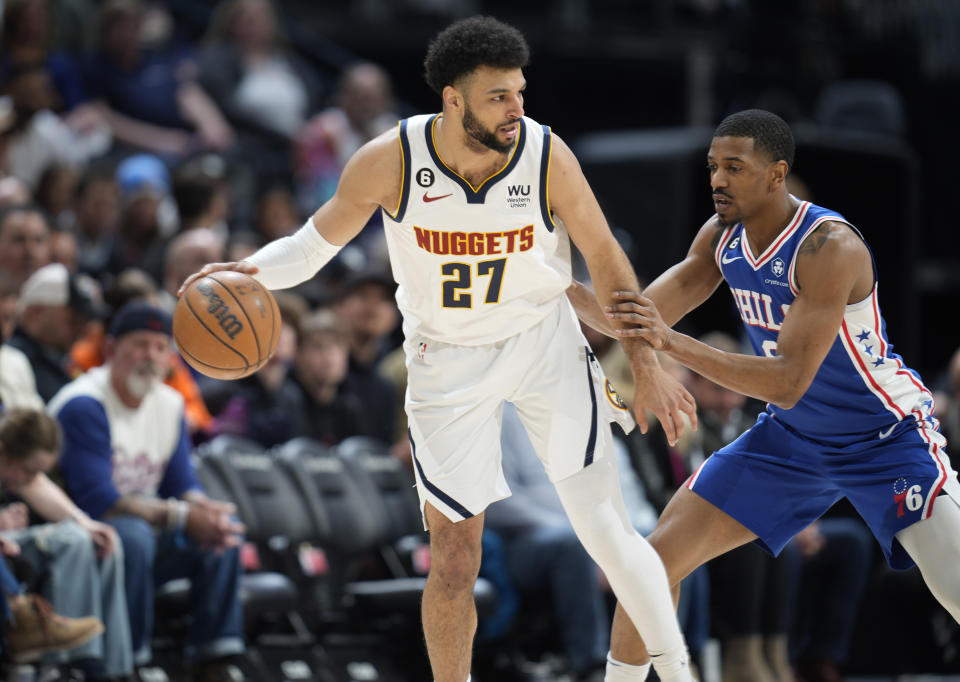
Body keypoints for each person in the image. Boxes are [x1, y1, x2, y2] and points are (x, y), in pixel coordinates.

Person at [180, 16, 698, 682]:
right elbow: (312, 247)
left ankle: (675, 675)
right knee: (455, 559)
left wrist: (647, 366)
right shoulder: (391, 159)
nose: (516, 108)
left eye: (519, 92)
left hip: (541, 340)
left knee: (608, 532)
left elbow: (606, 260)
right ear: (452, 99)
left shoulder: (546, 155)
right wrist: (238, 271)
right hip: (446, 360)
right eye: (497, 96)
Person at [601, 109, 960, 677]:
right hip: (792, 442)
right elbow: (632, 317)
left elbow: (788, 382)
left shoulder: (829, 247)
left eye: (734, 167)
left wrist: (669, 346)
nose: (717, 179)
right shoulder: (721, 238)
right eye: (713, 166)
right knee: (651, 562)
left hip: (883, 438)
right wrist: (549, 291)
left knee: (957, 593)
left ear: (776, 175)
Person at [47, 302, 246, 680]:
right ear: (110, 350)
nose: (151, 357)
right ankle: (131, 662)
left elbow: (181, 484)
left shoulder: (169, 404)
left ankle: (214, 658)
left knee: (225, 533)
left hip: (144, 530)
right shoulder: (84, 404)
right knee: (134, 537)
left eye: (160, 347)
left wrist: (207, 511)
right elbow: (98, 502)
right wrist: (184, 517)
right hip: (81, 535)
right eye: (140, 345)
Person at [0, 407, 132, 679]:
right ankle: (69, 664)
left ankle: (115, 669)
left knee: (101, 542)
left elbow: (36, 486)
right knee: (72, 540)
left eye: (38, 473)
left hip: (11, 543)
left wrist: (87, 523)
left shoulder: (19, 469)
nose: (29, 479)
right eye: (28, 471)